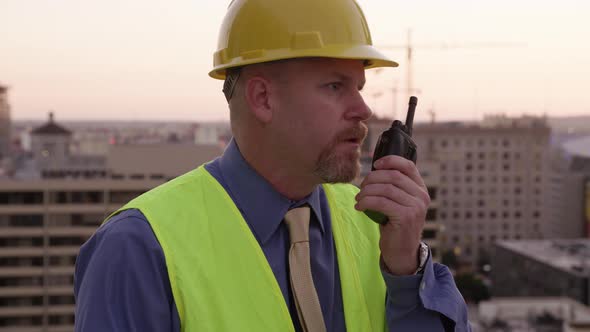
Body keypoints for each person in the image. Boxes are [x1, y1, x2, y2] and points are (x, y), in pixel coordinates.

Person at [74, 0, 471, 331]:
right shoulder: (138, 248)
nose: (363, 109)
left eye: (359, 88)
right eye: (335, 86)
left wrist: (405, 274)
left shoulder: (377, 225)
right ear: (263, 98)